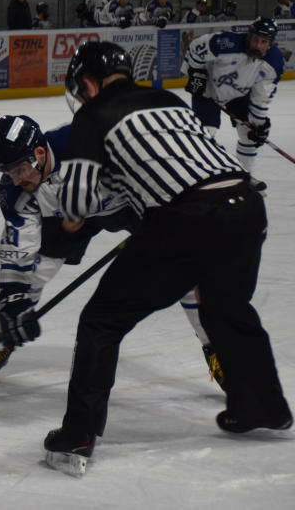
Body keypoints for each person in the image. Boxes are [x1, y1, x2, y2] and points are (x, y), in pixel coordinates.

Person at [40, 40, 291, 477]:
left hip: (186, 219)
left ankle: (78, 434)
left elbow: (78, 204)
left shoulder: (92, 116)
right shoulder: (168, 100)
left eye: (80, 91)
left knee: (101, 321)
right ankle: (264, 406)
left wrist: (66, 228)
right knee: (227, 310)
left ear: (87, 84)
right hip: (246, 205)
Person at [0, 116, 226, 391]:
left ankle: (216, 347)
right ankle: (2, 340)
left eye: (19, 170)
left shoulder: (92, 142)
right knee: (31, 279)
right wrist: (13, 308)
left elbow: (165, 155)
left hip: (128, 205)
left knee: (185, 272)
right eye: (7, 172)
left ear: (40, 154)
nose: (15, 179)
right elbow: (20, 249)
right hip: (66, 215)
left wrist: (210, 185)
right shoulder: (14, 190)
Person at [182, 17, 284, 191]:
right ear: (249, 36)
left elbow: (261, 97)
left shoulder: (274, 63)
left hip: (239, 95)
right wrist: (196, 72)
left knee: (249, 134)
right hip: (208, 90)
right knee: (207, 133)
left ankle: (245, 175)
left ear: (271, 43)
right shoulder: (226, 42)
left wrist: (259, 124)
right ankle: (198, 176)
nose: (258, 45)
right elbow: (196, 48)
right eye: (255, 40)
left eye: (264, 42)